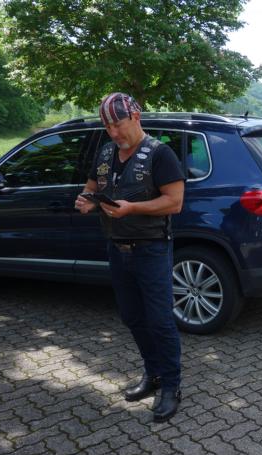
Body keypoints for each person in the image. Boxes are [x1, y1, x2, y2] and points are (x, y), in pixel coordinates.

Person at [75, 92, 185, 422]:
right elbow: (92, 186)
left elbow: (175, 202)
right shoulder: (106, 152)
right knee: (132, 317)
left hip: (151, 249)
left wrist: (132, 208)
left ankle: (171, 385)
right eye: (107, 127)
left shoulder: (160, 153)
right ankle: (153, 374)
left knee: (160, 320)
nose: (113, 133)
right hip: (116, 247)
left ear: (135, 117)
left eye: (117, 125)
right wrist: (86, 199)